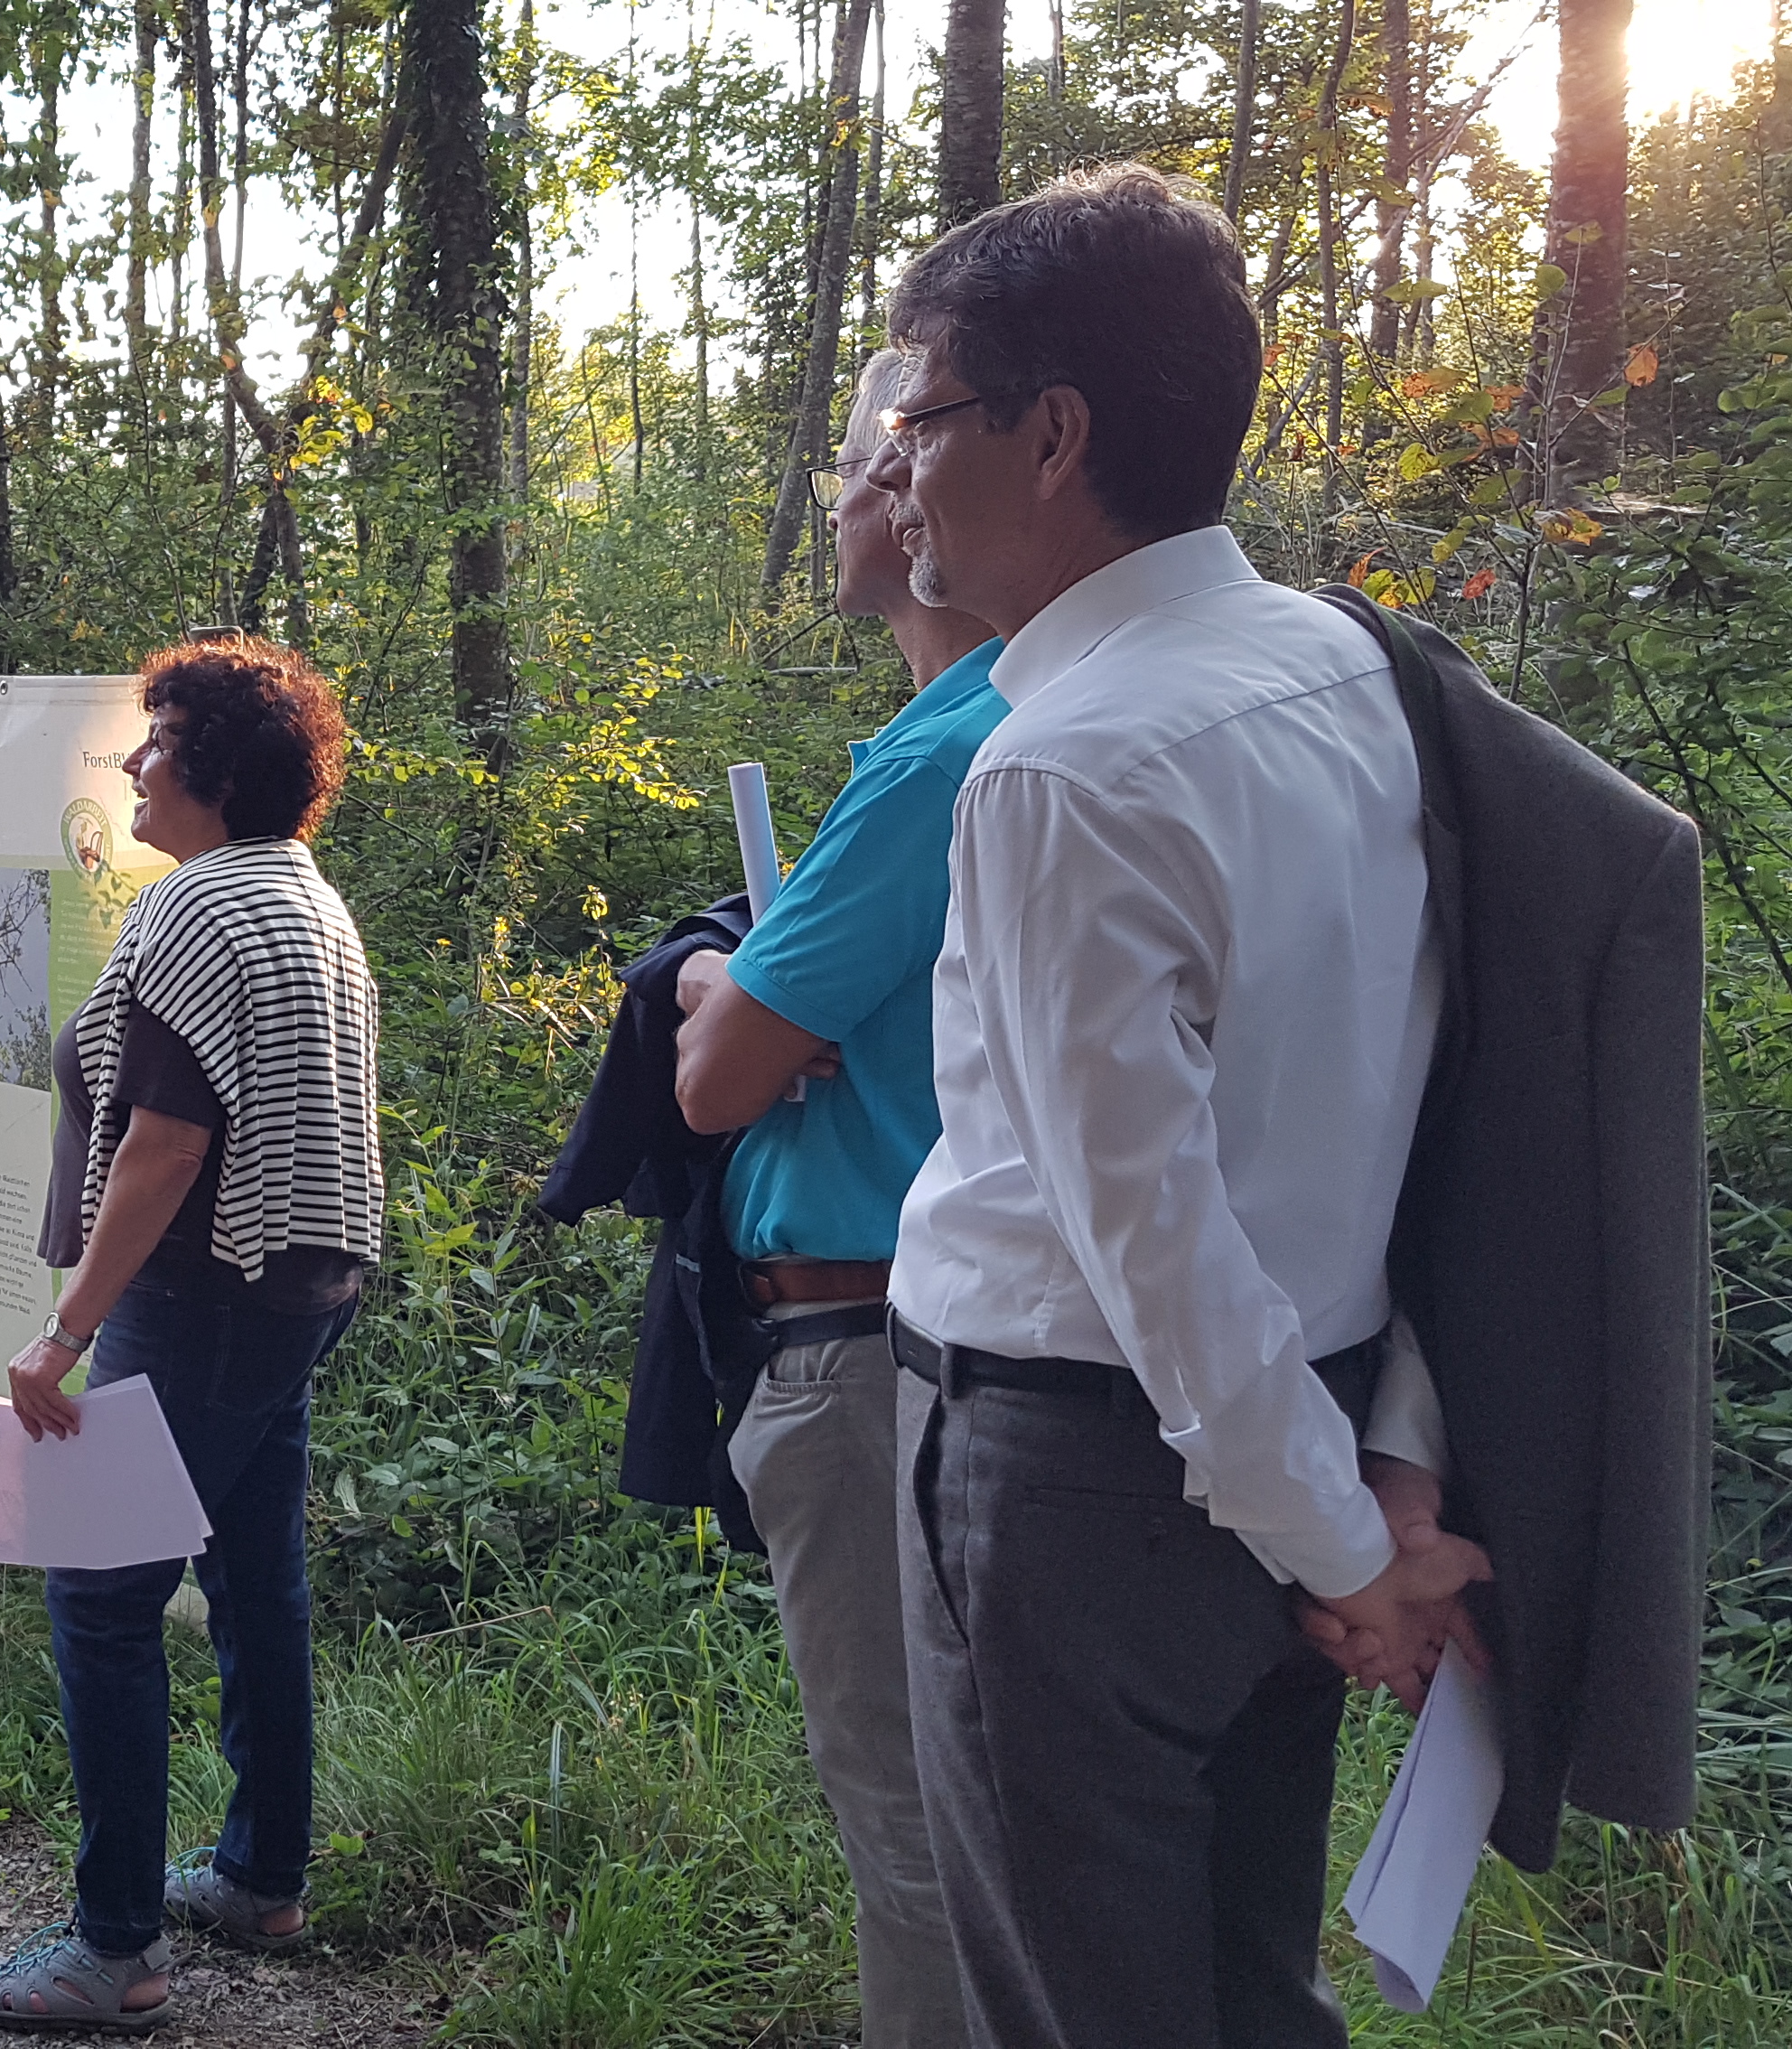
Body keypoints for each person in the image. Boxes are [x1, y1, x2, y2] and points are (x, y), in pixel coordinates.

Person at [862, 164, 1489, 2049]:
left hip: (1078, 1490)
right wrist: (1382, 1477)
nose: (899, 477)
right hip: (1304, 1445)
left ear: (1051, 436)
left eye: (925, 418)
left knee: (1083, 2012)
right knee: (1246, 1997)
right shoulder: (1361, 668)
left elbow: (1157, 1249)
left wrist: (1358, 1552)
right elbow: (1455, 1104)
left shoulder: (1061, 767)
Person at [0, 636, 383, 2035]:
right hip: (297, 1291)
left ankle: (115, 1948)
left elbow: (164, 1145)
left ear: (206, 765)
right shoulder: (301, 896)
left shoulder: (195, 909)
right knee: (256, 1577)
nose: (134, 765)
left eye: (153, 742)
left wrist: (63, 1332)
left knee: (99, 1592)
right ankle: (263, 1877)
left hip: (203, 1292)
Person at [662, 350, 999, 2049]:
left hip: (871, 1352)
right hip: (912, 1344)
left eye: (879, 468)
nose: (856, 497)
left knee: (914, 1822)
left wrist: (717, 992)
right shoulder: (984, 728)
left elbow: (715, 1082)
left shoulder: (944, 751)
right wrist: (742, 989)